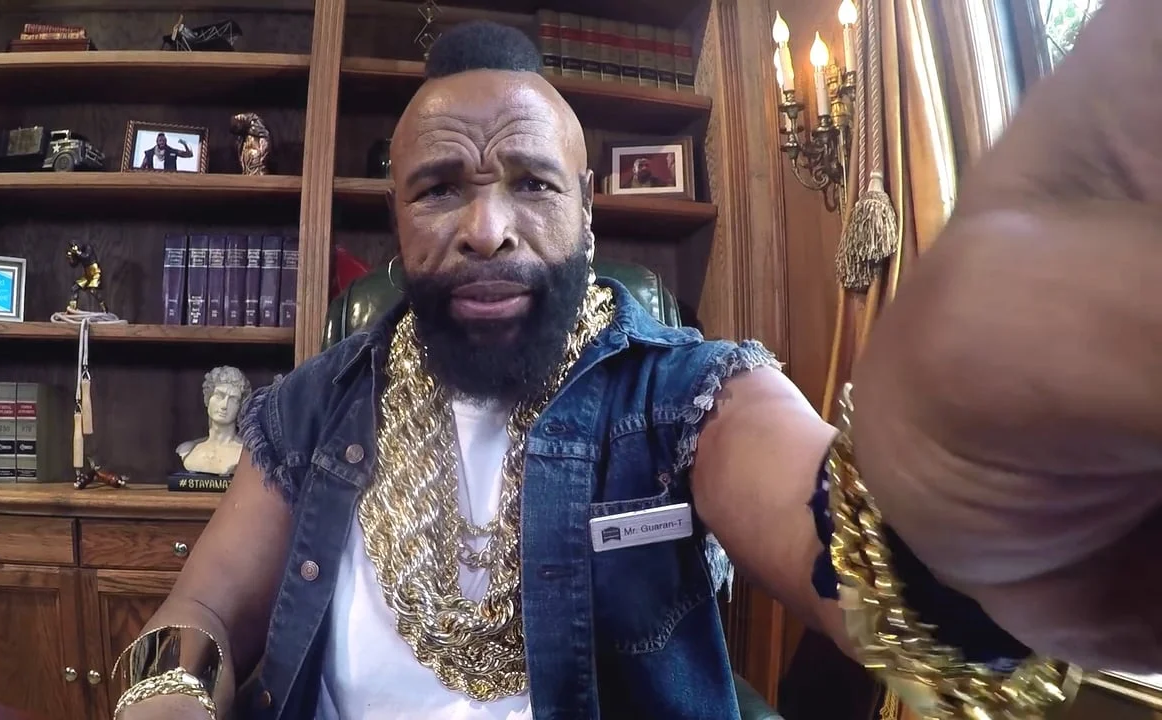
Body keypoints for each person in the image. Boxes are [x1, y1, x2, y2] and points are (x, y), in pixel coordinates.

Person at [113, 10, 1158, 720]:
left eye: (531, 184)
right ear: (397, 217)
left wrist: (974, 534)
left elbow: (833, 536)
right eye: (439, 189)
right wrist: (166, 693)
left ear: (586, 212)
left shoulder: (685, 392)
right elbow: (198, 611)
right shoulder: (310, 406)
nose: (486, 228)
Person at [175, 366, 252, 476]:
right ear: (208, 398)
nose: (224, 405)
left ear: (240, 406)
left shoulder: (246, 454)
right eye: (219, 396)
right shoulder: (187, 450)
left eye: (233, 399)